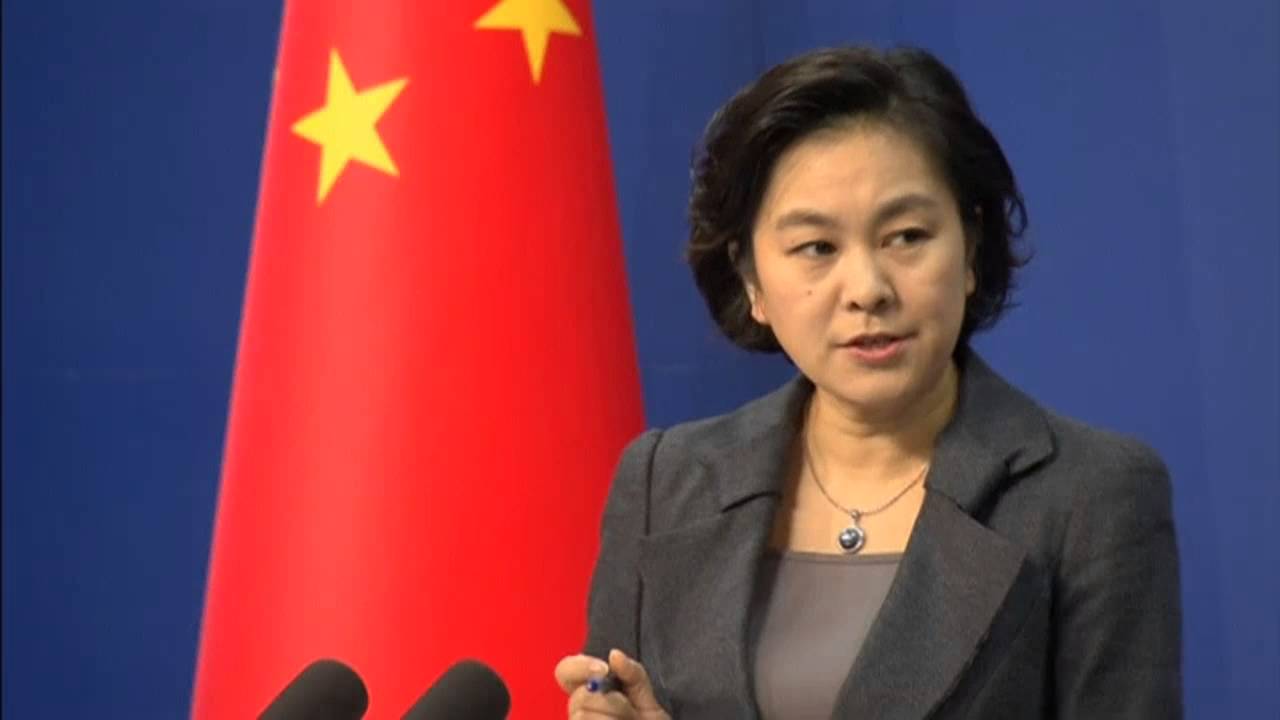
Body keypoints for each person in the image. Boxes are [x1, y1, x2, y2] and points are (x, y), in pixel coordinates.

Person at [555, 46, 1182, 719]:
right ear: (751, 279)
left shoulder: (1091, 496)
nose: (868, 289)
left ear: (971, 247)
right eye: (817, 248)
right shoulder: (665, 482)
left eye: (906, 236)